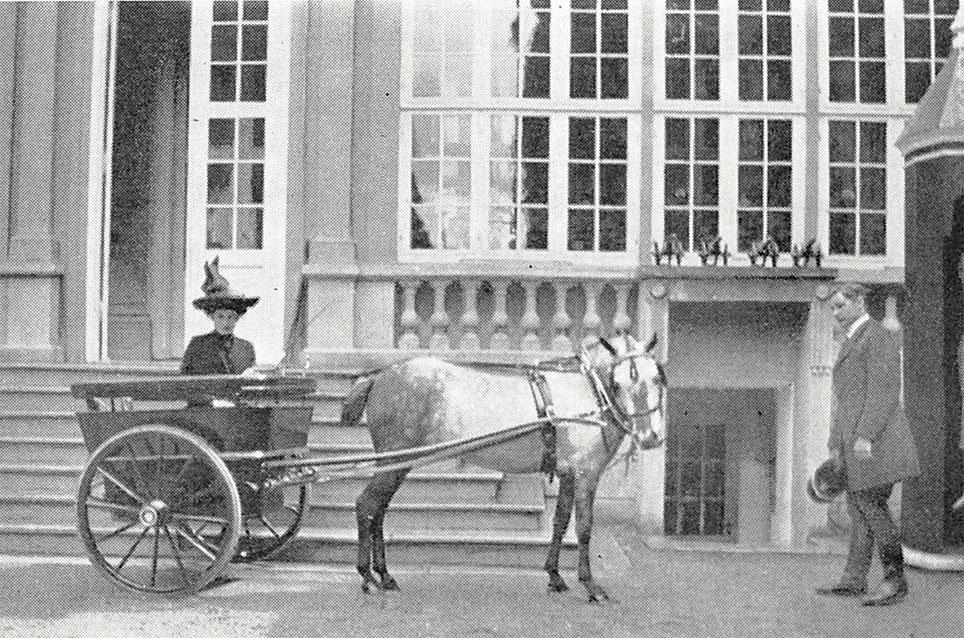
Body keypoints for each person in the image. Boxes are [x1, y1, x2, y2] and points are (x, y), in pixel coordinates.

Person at [816, 283, 920, 606]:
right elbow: (845, 400)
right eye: (832, 308)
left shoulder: (879, 336)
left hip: (878, 443)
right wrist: (835, 442)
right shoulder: (853, 340)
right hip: (858, 444)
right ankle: (853, 579)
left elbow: (884, 391)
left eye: (839, 306)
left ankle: (895, 581)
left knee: (871, 505)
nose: (835, 313)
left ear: (859, 301)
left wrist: (864, 436)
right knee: (859, 508)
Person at [181, 257, 258, 376]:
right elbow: (185, 380)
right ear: (212, 317)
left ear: (237, 318)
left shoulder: (246, 348)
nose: (226, 322)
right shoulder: (197, 345)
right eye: (220, 317)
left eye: (231, 317)